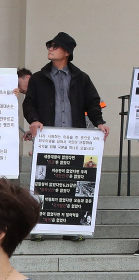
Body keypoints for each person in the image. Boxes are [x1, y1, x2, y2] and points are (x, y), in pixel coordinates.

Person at [23, 32, 109, 242]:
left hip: (74, 139)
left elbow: (93, 102)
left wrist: (100, 122)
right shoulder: (38, 77)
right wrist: (33, 120)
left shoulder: (81, 78)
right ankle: (39, 226)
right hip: (48, 137)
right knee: (43, 182)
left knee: (72, 181)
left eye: (55, 46)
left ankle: (72, 227)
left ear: (67, 52)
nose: (50, 49)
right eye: (49, 45)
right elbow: (29, 103)